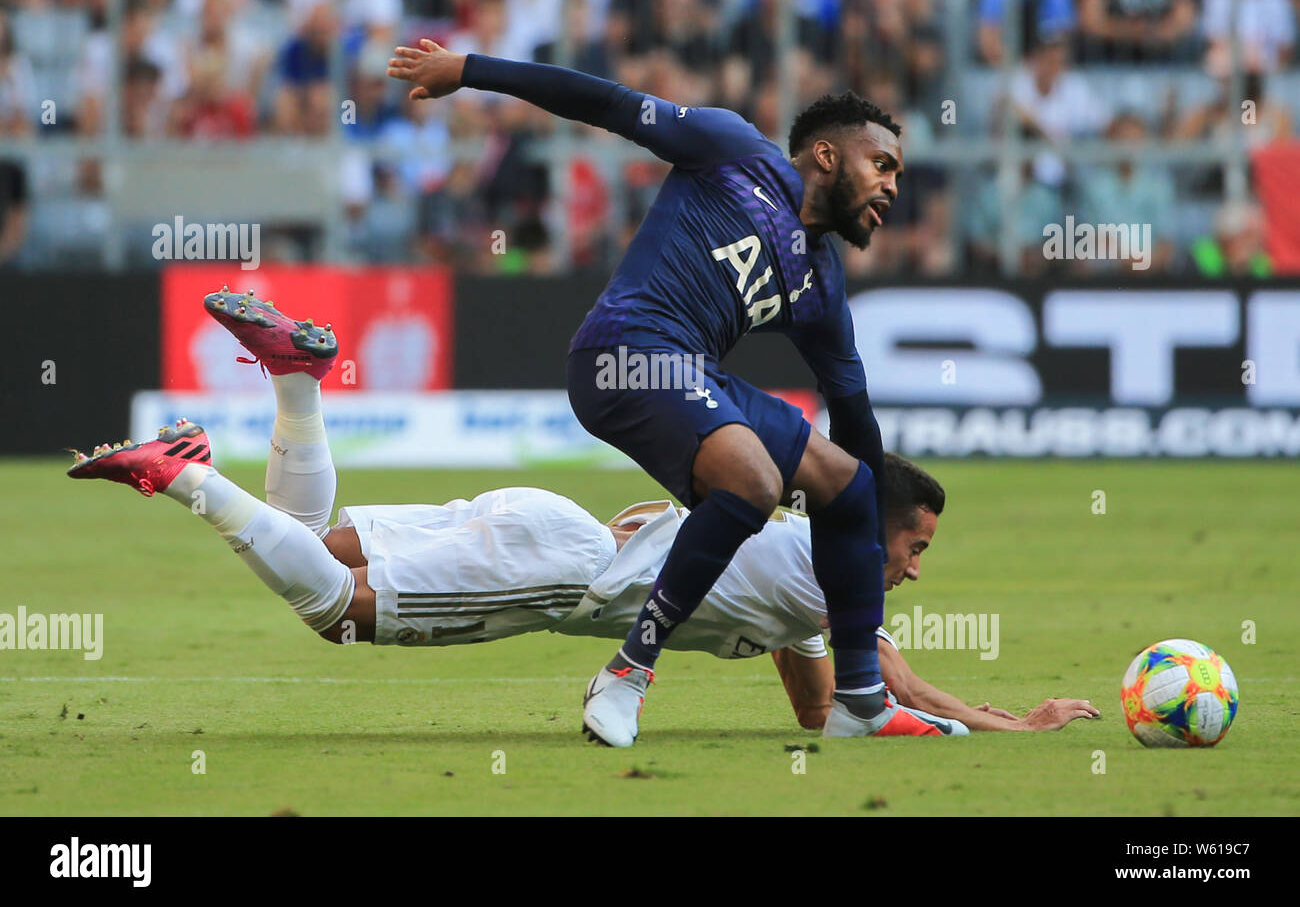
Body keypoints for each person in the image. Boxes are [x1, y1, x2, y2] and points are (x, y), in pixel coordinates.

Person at [66, 291, 1099, 738]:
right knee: (335, 609)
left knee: (322, 533)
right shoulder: (833, 570)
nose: (912, 569)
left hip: (540, 518)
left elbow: (816, 704)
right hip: (557, 572)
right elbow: (890, 684)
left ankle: (296, 383)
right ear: (873, 532)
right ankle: (190, 474)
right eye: (912, 546)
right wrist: (1016, 723)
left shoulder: (790, 573)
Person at [387, 38, 914, 747]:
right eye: (882, 165)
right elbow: (604, 102)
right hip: (620, 354)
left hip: (691, 372)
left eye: (898, 175)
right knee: (754, 480)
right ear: (826, 154)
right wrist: (470, 71)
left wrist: (870, 540)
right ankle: (627, 672)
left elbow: (854, 413)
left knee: (847, 485)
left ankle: (860, 703)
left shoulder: (821, 283)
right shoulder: (734, 149)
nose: (892, 187)